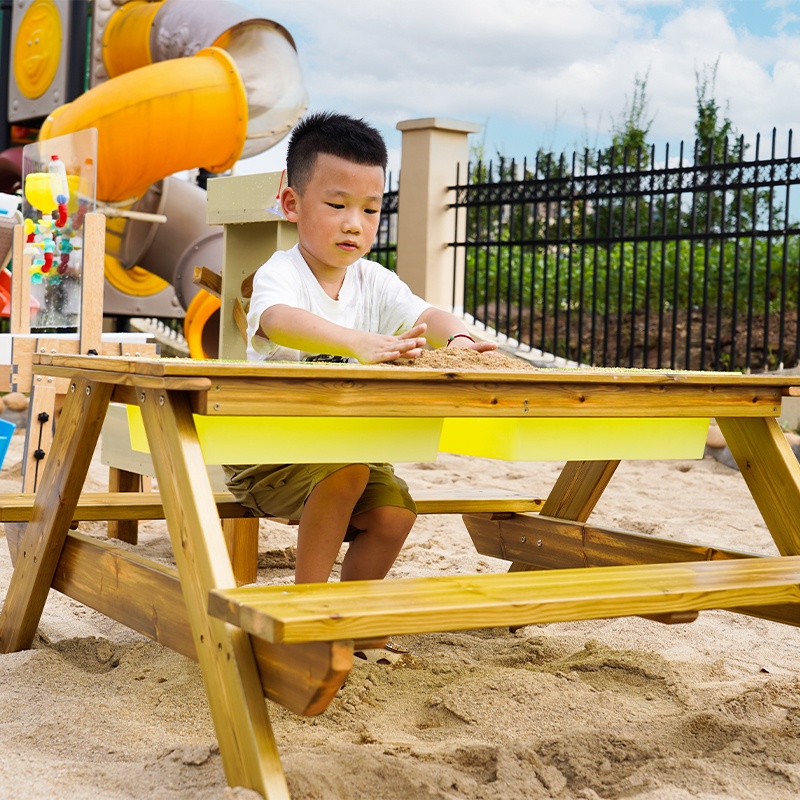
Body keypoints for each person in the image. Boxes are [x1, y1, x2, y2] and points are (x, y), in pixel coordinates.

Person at [224, 111, 496, 611]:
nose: (354, 223)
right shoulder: (280, 272)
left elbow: (427, 314)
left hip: (350, 447)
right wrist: (357, 342)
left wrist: (459, 338)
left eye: (371, 210)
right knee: (345, 471)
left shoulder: (375, 280)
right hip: (266, 452)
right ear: (292, 203)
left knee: (395, 513)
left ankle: (350, 614)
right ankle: (308, 611)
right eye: (337, 204)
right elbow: (277, 319)